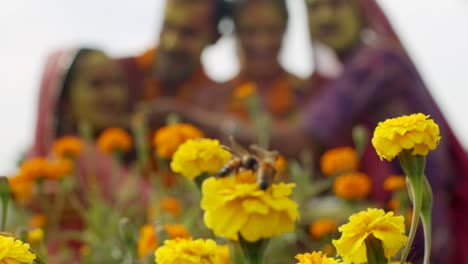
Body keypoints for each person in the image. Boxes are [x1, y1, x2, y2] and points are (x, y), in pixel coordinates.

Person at [301, 0, 468, 262]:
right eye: (314, 7)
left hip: (418, 230)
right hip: (392, 223)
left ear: (362, 11)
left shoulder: (378, 62)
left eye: (336, 5)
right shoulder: (339, 75)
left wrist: (223, 125)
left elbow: (305, 136)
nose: (325, 17)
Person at [28, 48, 149, 261]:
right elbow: (153, 208)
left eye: (117, 83)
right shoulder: (77, 154)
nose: (112, 95)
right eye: (96, 85)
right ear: (65, 101)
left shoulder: (68, 156)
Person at [215, 0, 311, 121]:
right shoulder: (216, 96)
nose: (261, 42)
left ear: (284, 29)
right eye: (250, 31)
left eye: (272, 30)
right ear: (237, 33)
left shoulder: (308, 92)